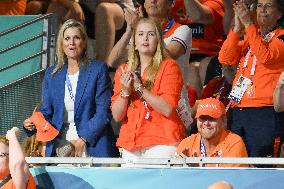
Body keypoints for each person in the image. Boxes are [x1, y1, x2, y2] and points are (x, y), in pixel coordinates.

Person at [23, 19, 119, 158]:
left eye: (76, 38)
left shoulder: (98, 69)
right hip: (60, 145)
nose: (71, 43)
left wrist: (83, 139)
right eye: (67, 38)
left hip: (93, 143)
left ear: (84, 42)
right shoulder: (51, 74)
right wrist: (32, 125)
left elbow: (103, 112)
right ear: (62, 44)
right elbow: (46, 112)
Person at [111, 18, 185, 158]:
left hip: (162, 141)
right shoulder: (123, 70)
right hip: (130, 143)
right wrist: (125, 93)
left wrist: (139, 88)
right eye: (140, 34)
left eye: (151, 34)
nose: (145, 38)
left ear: (158, 41)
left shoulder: (169, 66)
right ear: (134, 43)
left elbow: (167, 108)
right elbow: (116, 116)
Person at [218, 0, 284, 158]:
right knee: (235, 161)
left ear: (279, 13)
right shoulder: (251, 36)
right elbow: (225, 58)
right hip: (239, 107)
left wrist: (248, 23)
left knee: (260, 163)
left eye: (268, 6)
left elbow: (265, 56)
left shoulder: (281, 36)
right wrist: (237, 28)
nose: (262, 10)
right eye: (260, 6)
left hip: (264, 110)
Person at [176, 98, 248, 167]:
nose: (206, 123)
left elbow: (230, 178)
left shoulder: (234, 143)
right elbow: (176, 176)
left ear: (223, 121)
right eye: (202, 118)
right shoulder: (187, 144)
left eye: (212, 118)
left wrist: (196, 171)